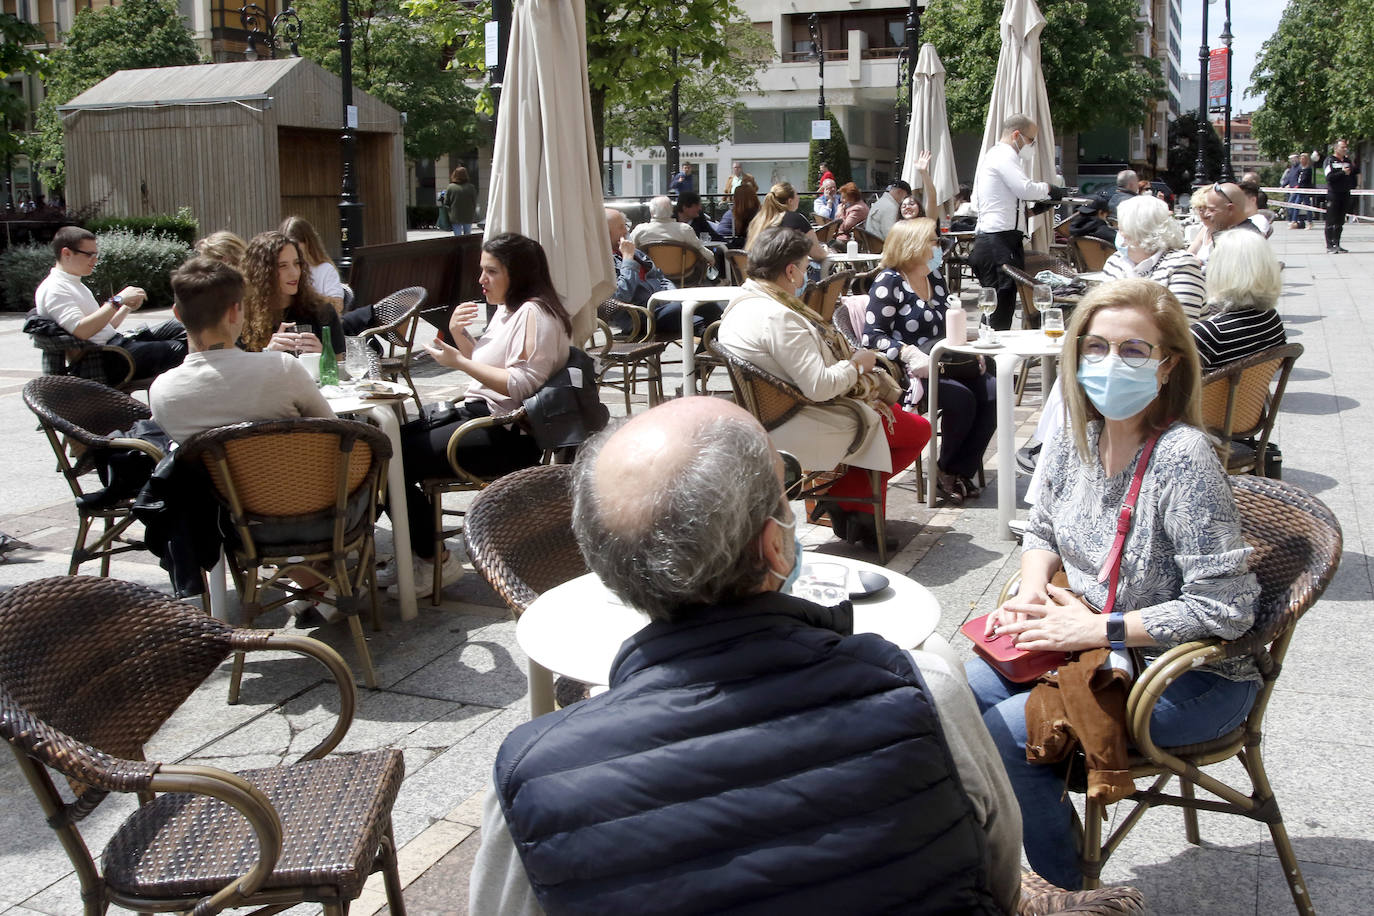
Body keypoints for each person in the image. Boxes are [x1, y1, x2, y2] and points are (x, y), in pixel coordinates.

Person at [469, 396, 1023, 916]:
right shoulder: (926, 692)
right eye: (785, 493)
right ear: (775, 544)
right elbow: (999, 884)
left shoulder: (534, 780)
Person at [970, 278, 1262, 891]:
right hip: (1091, 644)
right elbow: (1043, 527)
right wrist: (1029, 592)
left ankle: (1069, 895)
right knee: (949, 694)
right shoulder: (1080, 435)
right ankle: (1007, 850)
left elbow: (1228, 608)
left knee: (1006, 734)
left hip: (1190, 676)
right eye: (1096, 348)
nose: (1109, 364)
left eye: (1133, 350)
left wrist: (1097, 626)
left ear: (1167, 366)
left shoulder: (1183, 458)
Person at [383, 233, 572, 598]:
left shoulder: (536, 315)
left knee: (390, 458)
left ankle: (431, 559)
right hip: (483, 417)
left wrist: (458, 360)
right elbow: (490, 365)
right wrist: (459, 336)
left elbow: (519, 385)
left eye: (491, 271)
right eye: (482, 270)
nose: (481, 280)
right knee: (383, 446)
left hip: (507, 435)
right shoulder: (509, 309)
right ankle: (418, 553)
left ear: (517, 274)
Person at [719, 227, 930, 550]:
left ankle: (855, 509)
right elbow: (820, 386)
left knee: (896, 417)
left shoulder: (743, 302)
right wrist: (858, 364)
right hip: (800, 419)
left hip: (775, 412)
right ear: (790, 271)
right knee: (917, 430)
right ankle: (850, 500)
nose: (807, 273)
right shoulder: (777, 316)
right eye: (805, 267)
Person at [862, 219, 995, 505]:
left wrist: (972, 346)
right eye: (934, 242)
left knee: (994, 389)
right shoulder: (889, 282)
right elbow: (871, 337)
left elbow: (949, 321)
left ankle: (955, 468)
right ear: (914, 246)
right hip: (909, 372)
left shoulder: (934, 276)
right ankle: (947, 469)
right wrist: (908, 352)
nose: (940, 248)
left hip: (945, 360)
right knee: (963, 399)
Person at [150, 257, 333, 444]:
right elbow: (335, 434)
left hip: (208, 474)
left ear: (177, 314)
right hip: (297, 471)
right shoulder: (282, 369)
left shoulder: (162, 391)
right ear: (233, 311)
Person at [34, 226, 187, 379]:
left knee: (187, 325)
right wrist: (118, 300)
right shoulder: (54, 289)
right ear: (66, 253)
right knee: (185, 348)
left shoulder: (72, 283)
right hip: (109, 360)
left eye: (96, 254)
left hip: (116, 346)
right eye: (89, 255)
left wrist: (126, 306)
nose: (95, 260)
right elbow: (82, 330)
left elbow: (102, 327)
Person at [970, 115, 1066, 330]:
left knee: (998, 307)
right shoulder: (1004, 155)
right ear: (1016, 135)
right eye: (1031, 140)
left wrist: (1031, 212)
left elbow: (997, 203)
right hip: (997, 242)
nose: (1032, 145)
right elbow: (1024, 188)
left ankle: (987, 358)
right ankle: (989, 359)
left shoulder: (995, 157)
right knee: (998, 309)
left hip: (997, 239)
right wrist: (1049, 189)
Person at [1191, 229, 1287, 370]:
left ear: (1220, 271)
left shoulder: (1208, 334)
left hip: (1211, 392)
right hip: (1254, 391)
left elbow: (1169, 384)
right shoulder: (1271, 317)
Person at [239, 231, 345, 356]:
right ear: (262, 273)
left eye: (297, 263)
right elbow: (237, 371)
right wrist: (268, 354)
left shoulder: (322, 311)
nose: (294, 273)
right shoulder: (242, 316)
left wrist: (324, 356)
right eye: (283, 266)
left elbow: (342, 366)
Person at [1101, 195, 1207, 319]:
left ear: (1139, 231)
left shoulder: (1182, 265)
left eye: (1121, 228)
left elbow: (1179, 326)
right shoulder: (1115, 261)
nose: (1119, 234)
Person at [744, 182, 830, 265]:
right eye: (797, 194)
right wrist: (826, 251)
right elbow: (817, 254)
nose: (799, 198)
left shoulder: (758, 221)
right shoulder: (796, 219)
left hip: (756, 275)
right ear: (790, 201)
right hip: (784, 276)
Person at [280, 215, 347, 314]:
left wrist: (307, 295)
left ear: (308, 243)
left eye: (296, 247)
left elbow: (338, 305)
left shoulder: (325, 269)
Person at [1186, 182, 1261, 265]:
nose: (1207, 214)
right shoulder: (1234, 233)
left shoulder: (1243, 239)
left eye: (1212, 210)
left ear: (1230, 209)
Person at [629, 195, 713, 264]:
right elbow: (704, 253)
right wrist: (712, 258)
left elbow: (628, 252)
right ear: (672, 210)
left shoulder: (640, 230)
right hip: (684, 277)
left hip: (650, 277)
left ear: (651, 212)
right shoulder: (684, 229)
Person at [1323, 138, 1359, 253]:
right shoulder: (1330, 160)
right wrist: (1342, 172)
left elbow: (1354, 173)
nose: (1345, 149)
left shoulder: (1347, 161)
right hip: (1334, 194)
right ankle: (1329, 245)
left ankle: (1337, 243)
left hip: (1345, 193)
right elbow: (1329, 177)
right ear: (1336, 148)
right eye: (1342, 147)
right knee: (1331, 220)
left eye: (1345, 147)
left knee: (1340, 221)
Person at [716, 183, 760, 249]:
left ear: (735, 198)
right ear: (754, 197)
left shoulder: (731, 214)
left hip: (733, 250)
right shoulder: (760, 214)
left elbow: (720, 234)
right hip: (755, 249)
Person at [831, 181, 869, 248]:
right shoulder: (851, 206)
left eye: (844, 197)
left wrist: (840, 212)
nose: (841, 200)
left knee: (829, 244)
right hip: (845, 237)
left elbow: (845, 227)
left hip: (851, 241)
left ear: (852, 198)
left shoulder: (858, 209)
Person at [445, 165, 478, 236]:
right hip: (468, 215)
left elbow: (446, 202)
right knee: (467, 235)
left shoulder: (450, 187)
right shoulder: (471, 187)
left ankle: (459, 246)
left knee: (457, 237)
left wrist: (449, 212)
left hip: (455, 216)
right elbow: (474, 202)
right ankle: (467, 247)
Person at [1287, 152, 1315, 229]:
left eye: (1303, 159)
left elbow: (1304, 180)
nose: (1301, 160)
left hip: (1305, 189)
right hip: (1299, 189)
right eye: (1301, 158)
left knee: (1307, 206)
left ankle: (1309, 222)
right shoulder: (1300, 168)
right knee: (1296, 205)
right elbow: (1296, 177)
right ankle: (1294, 221)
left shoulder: (1308, 169)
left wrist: (1298, 186)